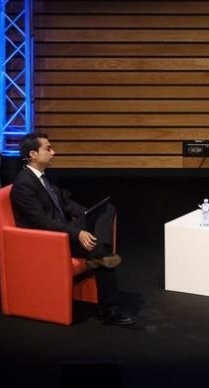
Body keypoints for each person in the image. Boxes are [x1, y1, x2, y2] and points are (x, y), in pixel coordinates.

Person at [10, 131, 135, 326]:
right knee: (102, 255)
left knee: (106, 209)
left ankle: (100, 250)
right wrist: (78, 232)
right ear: (33, 154)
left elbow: (67, 205)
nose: (54, 152)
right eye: (48, 148)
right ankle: (109, 308)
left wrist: (88, 215)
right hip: (47, 240)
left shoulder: (46, 177)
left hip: (64, 228)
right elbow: (42, 222)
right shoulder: (23, 185)